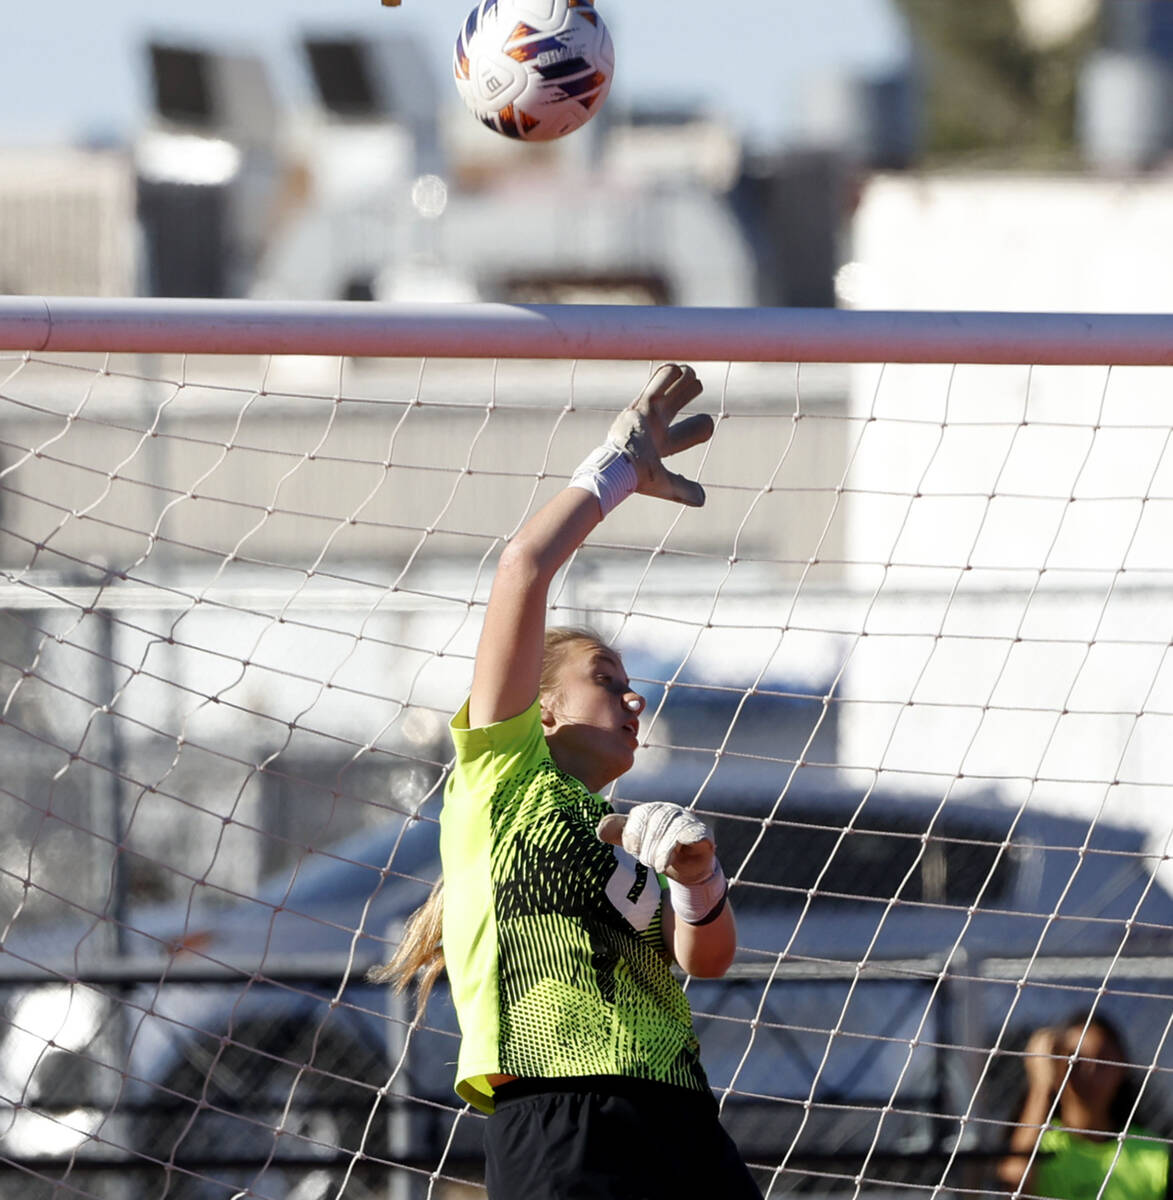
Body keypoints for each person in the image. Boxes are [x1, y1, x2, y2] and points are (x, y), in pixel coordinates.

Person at [372, 363, 763, 1199]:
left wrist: (698, 880)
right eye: (605, 677)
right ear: (541, 711)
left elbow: (709, 957)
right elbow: (523, 566)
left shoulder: (626, 837)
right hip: (562, 1113)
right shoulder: (501, 780)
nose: (634, 696)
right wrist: (618, 465)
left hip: (682, 1116)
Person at [998, 1011, 1169, 1200]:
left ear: (1122, 1066)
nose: (1090, 1072)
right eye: (1075, 1061)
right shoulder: (1038, 1144)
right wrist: (1040, 1086)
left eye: (1101, 1060)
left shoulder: (1154, 1151)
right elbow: (1012, 1187)